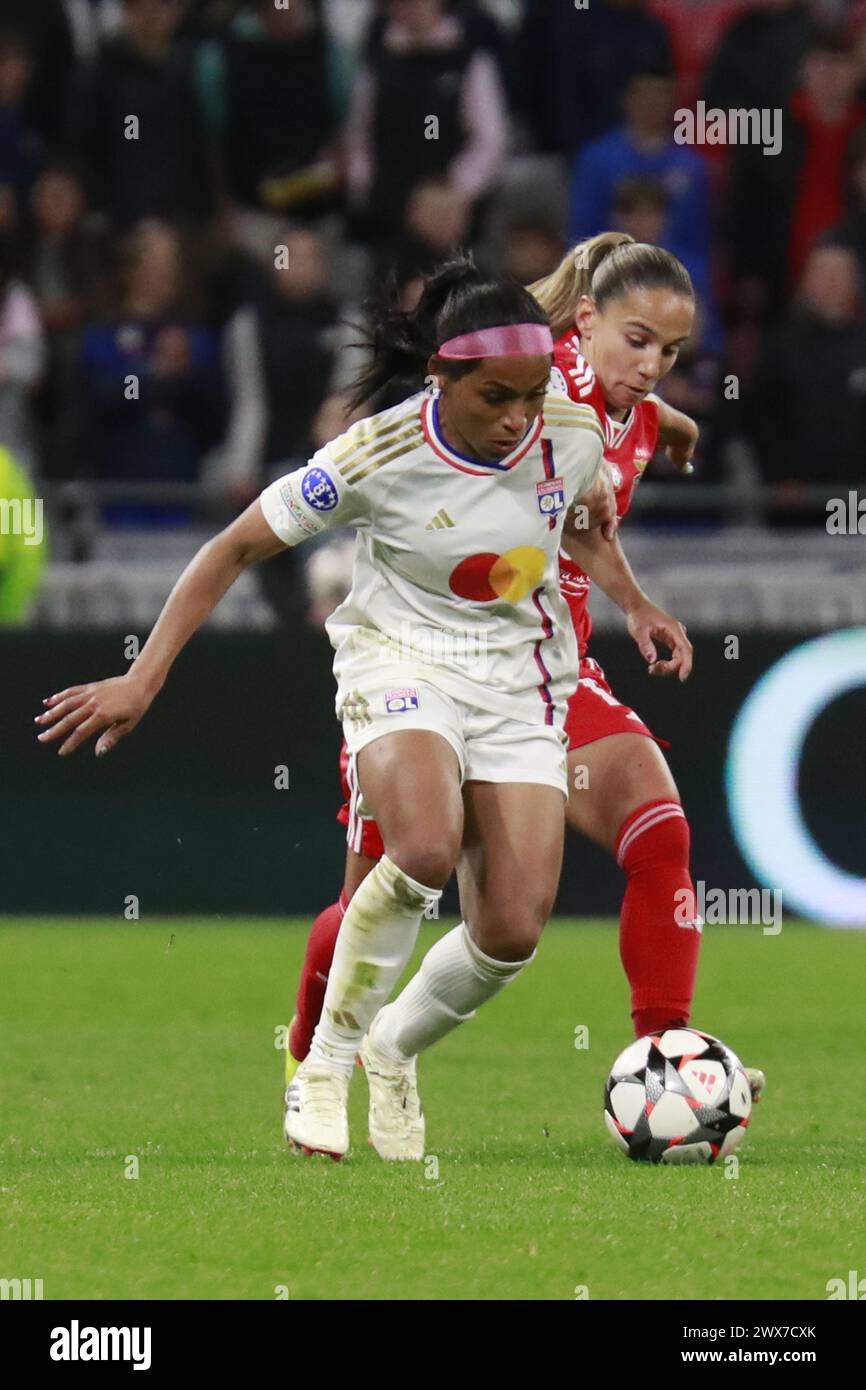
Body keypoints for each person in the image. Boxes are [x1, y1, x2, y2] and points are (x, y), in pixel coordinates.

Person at [36, 258, 607, 1163]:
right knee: (420, 847)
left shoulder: (568, 433)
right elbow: (233, 547)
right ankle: (323, 1063)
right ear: (441, 377)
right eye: (497, 396)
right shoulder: (375, 453)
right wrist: (143, 677)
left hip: (517, 684)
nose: (518, 418)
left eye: (533, 396)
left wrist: (663, 481)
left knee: (511, 930)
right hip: (400, 662)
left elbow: (589, 500)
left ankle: (392, 1048)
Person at [286, 234, 764, 1159]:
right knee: (382, 892)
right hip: (433, 661)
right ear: (581, 325)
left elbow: (595, 494)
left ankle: (667, 1056)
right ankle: (313, 1059)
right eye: (637, 344)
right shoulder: (541, 399)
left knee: (652, 832)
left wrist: (666, 422)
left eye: (670, 353)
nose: (652, 366)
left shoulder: (620, 402)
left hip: (545, 673)